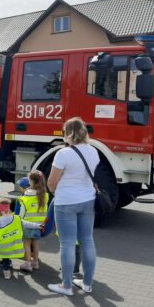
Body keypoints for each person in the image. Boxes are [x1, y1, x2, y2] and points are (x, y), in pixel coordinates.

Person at [47, 117, 99, 295]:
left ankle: (66, 286)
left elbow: (52, 182)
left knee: (67, 243)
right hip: (88, 201)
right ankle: (87, 284)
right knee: (88, 241)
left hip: (66, 201)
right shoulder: (94, 151)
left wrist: (55, 191)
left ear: (68, 133)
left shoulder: (63, 153)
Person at [0, 198, 42, 279]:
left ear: (0, 211)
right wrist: (38, 226)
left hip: (1, 245)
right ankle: (6, 274)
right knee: (5, 258)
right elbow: (27, 224)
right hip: (11, 245)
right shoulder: (17, 218)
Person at [17, 170, 49, 272]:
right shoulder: (45, 195)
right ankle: (35, 262)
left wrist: (18, 221)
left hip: (27, 224)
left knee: (26, 243)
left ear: (31, 181)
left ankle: (27, 263)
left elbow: (22, 212)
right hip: (39, 224)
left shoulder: (26, 196)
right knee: (36, 242)